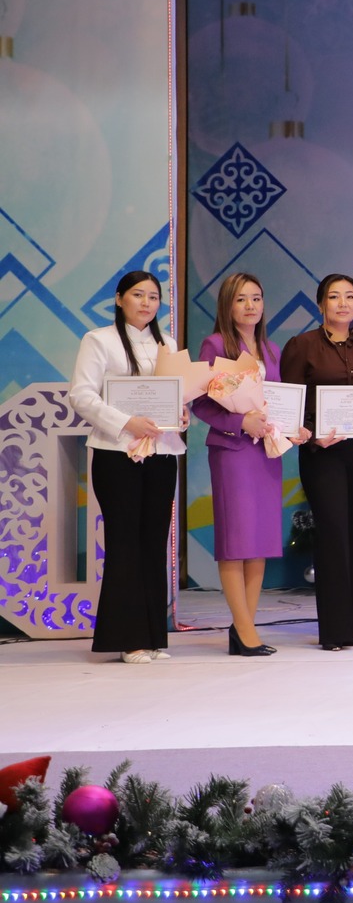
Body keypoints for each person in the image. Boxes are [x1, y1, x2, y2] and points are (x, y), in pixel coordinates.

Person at [68, 270, 183, 664]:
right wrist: (126, 422)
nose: (146, 303)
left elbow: (176, 394)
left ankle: (152, 637)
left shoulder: (167, 344)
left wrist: (180, 413)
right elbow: (81, 395)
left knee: (153, 542)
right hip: (116, 452)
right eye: (138, 295)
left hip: (162, 453)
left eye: (153, 296)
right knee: (124, 543)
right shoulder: (98, 340)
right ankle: (128, 639)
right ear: (119, 299)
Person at [193, 272, 306, 657]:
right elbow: (201, 403)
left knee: (259, 542)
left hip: (266, 453)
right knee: (236, 542)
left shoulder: (271, 349)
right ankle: (245, 631)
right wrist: (240, 422)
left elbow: (277, 401)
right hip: (233, 452)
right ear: (227, 305)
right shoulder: (215, 345)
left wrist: (294, 428)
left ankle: (244, 629)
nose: (250, 306)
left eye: (256, 298)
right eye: (241, 299)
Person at [279, 273, 353, 650]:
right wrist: (312, 433)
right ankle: (335, 629)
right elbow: (289, 405)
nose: (343, 303)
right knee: (333, 535)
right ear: (321, 304)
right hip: (324, 455)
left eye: (349, 297)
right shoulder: (302, 345)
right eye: (335, 297)